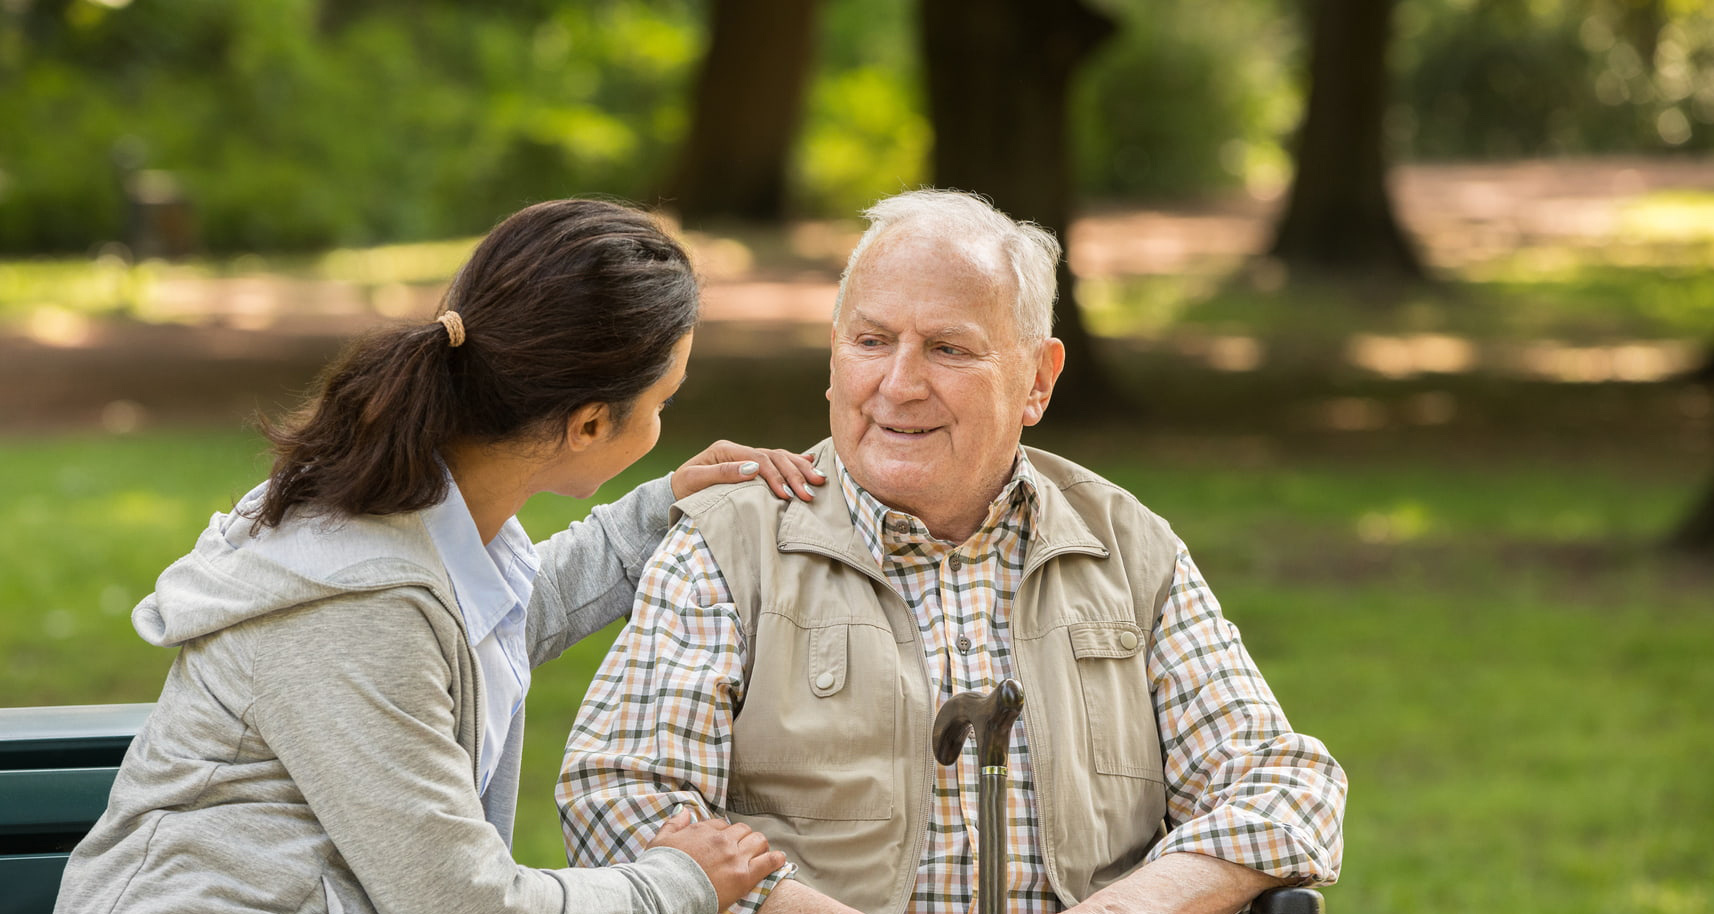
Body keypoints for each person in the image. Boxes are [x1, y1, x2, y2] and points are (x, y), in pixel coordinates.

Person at [555, 190, 1347, 914]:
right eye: (871, 341)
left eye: (947, 349)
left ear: (1036, 379)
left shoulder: (1126, 549)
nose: (898, 383)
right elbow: (620, 800)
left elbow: (1287, 787)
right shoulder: (725, 547)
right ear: (833, 361)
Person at [56, 199, 828, 914]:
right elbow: (462, 903)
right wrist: (677, 883)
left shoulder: (417, 509)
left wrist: (658, 512)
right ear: (589, 425)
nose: (664, 423)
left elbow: (481, 628)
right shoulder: (353, 603)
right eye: (663, 404)